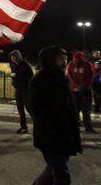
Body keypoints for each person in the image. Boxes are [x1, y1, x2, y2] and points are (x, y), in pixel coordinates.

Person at [29, 45, 82, 185]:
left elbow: (68, 105)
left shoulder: (61, 79)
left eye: (65, 58)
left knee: (52, 170)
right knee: (62, 175)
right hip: (50, 136)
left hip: (65, 135)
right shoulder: (39, 81)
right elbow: (36, 110)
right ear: (50, 60)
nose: (65, 62)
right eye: (61, 59)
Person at [66, 51, 96, 133]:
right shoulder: (72, 65)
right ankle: (77, 127)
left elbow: (90, 77)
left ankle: (86, 128)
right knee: (77, 110)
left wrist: (80, 86)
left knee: (84, 110)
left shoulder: (86, 65)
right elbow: (69, 76)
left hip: (83, 90)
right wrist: (76, 86)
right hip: (77, 90)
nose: (76, 61)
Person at [9, 49, 34, 134]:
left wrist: (17, 75)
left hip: (25, 90)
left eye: (14, 57)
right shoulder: (13, 65)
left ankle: (38, 125)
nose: (13, 58)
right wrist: (13, 80)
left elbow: (31, 76)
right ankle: (23, 127)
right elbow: (13, 74)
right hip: (18, 89)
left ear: (18, 56)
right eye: (12, 57)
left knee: (29, 108)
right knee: (20, 109)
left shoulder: (25, 65)